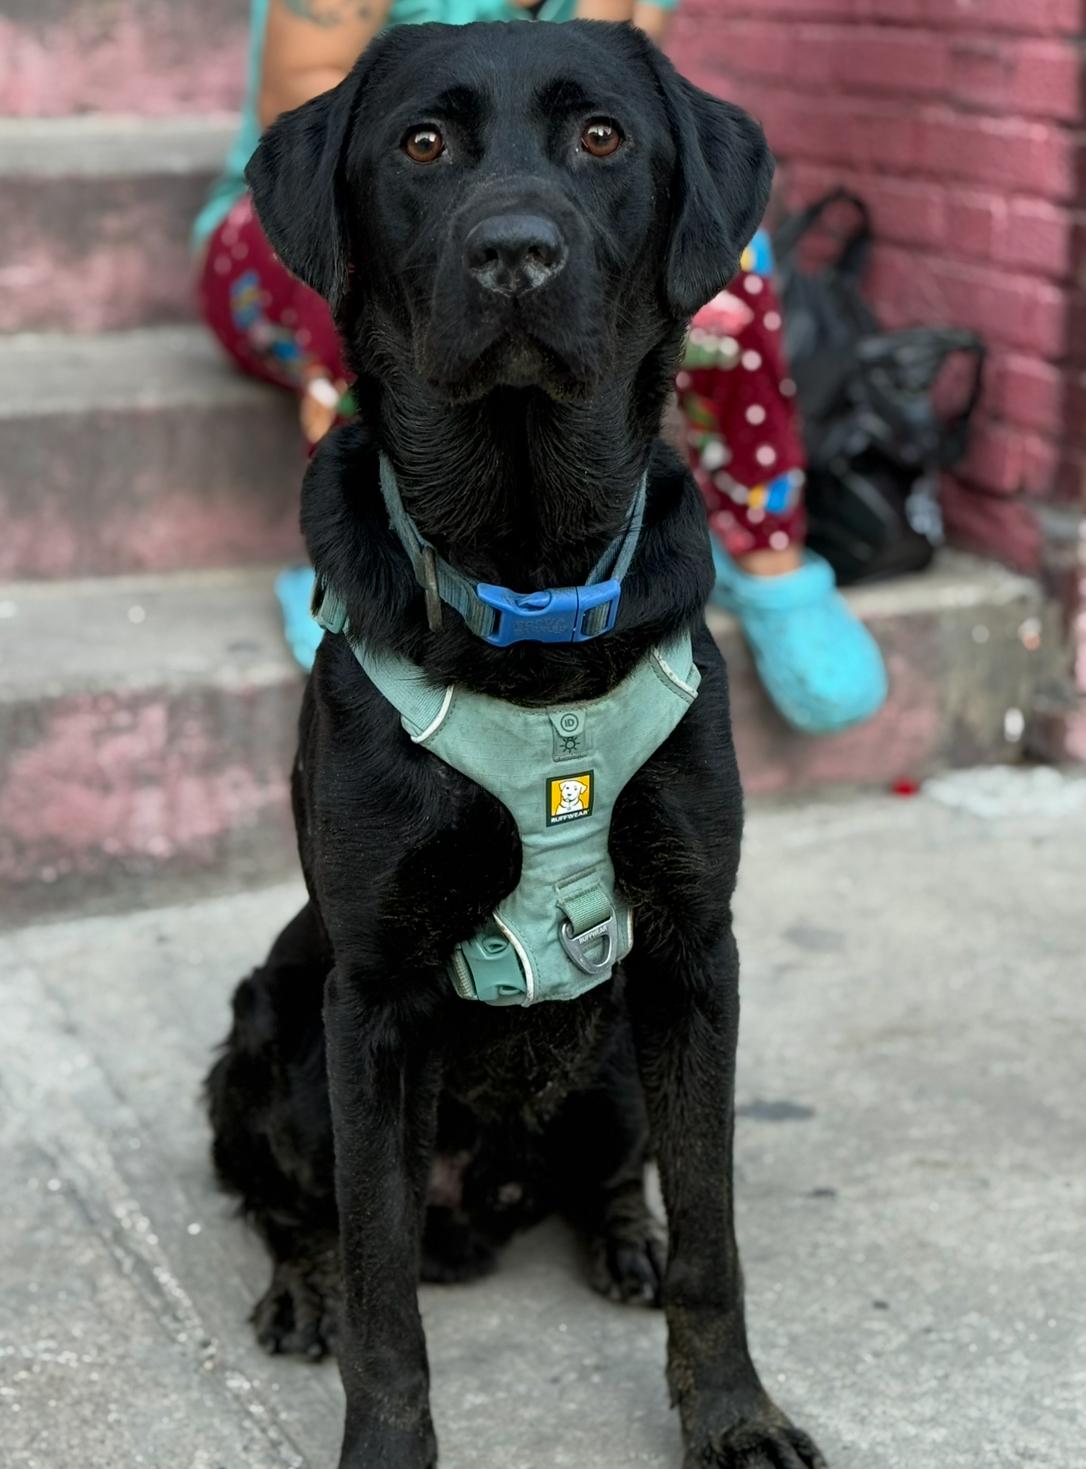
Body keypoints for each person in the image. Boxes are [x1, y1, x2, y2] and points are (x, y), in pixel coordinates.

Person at [193, 0, 886, 734]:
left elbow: (623, 111)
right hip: (297, 228)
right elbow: (304, 99)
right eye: (429, 140)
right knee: (367, 268)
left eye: (596, 137)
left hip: (548, 217)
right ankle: (364, 550)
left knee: (728, 262)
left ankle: (766, 553)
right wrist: (421, 141)